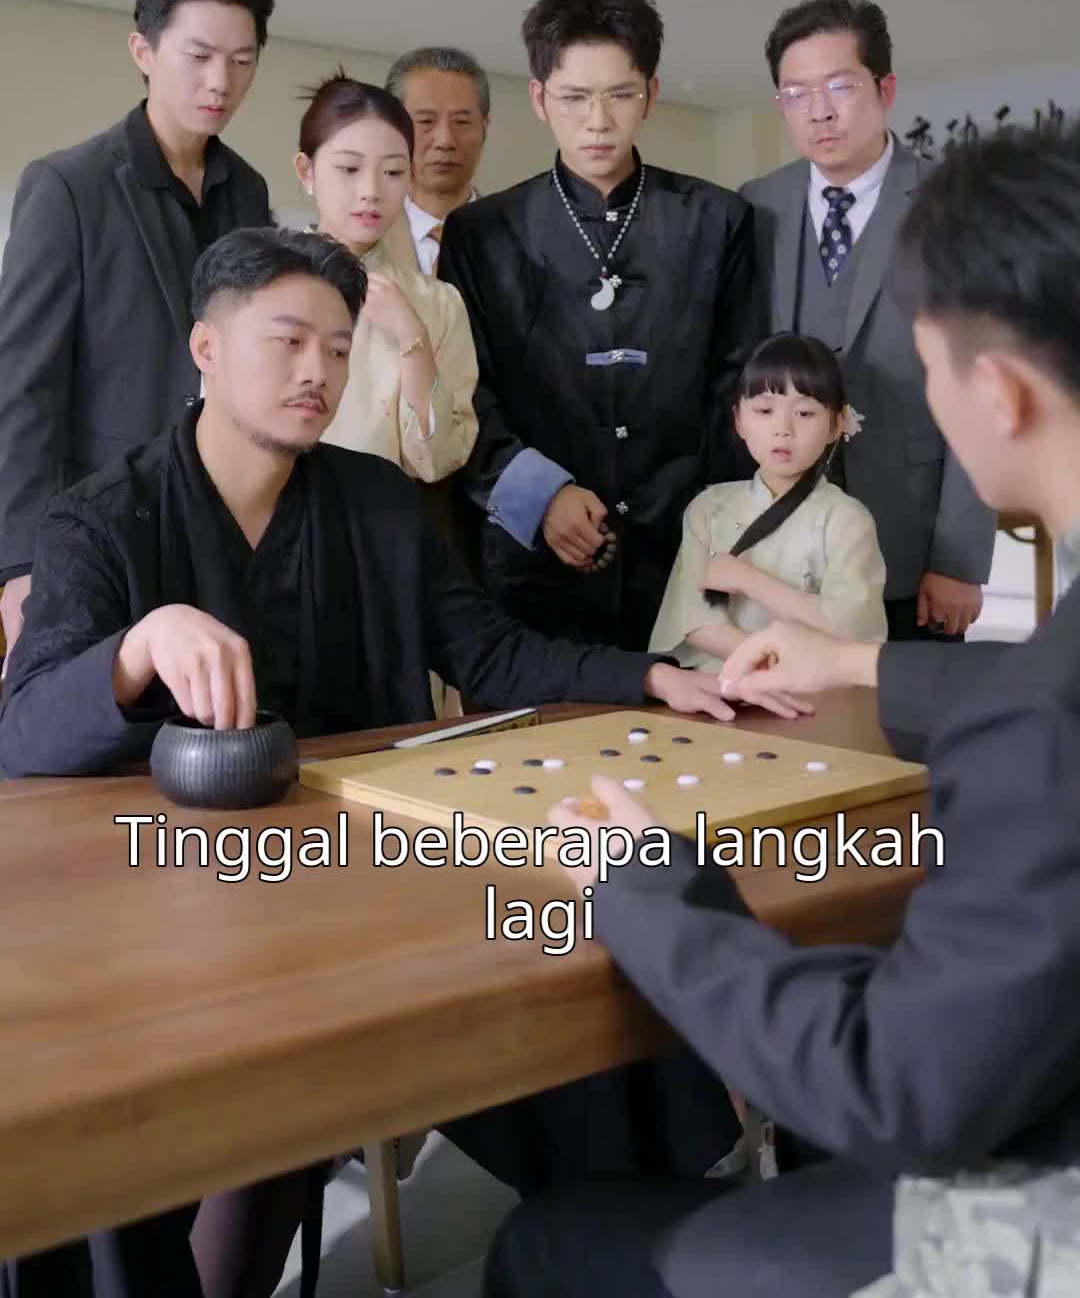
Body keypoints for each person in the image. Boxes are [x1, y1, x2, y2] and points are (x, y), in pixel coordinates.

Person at [0, 225, 757, 1298]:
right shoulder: (100, 518)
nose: (317, 370)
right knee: (131, 1117)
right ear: (206, 349)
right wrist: (136, 648)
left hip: (365, 892)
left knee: (583, 969)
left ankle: (646, 1238)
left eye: (338, 347)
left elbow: (490, 654)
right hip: (163, 911)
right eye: (287, 341)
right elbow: (24, 735)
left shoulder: (376, 503)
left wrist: (650, 677)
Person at [483, 119, 1080, 1298]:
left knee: (546, 1243)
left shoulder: (1033, 726)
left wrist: (642, 880)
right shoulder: (1036, 697)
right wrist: (860, 665)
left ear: (998, 392)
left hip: (1036, 1216)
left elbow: (897, 1089)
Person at [438, 0, 758, 651]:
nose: (598, 120)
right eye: (575, 97)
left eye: (620, 95)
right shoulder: (482, 233)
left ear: (651, 94)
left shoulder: (717, 220)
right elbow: (467, 393)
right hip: (534, 560)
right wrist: (542, 495)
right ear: (539, 99)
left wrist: (700, 516)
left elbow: (738, 389)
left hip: (686, 554)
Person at [0, 0, 274, 659]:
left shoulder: (249, 192)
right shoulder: (68, 186)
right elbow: (22, 386)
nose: (220, 81)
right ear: (144, 51)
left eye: (242, 61)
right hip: (99, 528)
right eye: (199, 55)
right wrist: (20, 565)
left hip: (221, 522)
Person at [741, 0, 997, 644]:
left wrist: (959, 558)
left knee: (905, 710)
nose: (819, 111)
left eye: (839, 86)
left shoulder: (955, 204)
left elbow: (983, 386)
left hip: (911, 546)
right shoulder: (757, 207)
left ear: (885, 88)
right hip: (784, 553)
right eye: (796, 93)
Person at [649, 333, 887, 667]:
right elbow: (694, 622)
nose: (783, 428)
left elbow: (850, 630)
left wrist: (749, 581)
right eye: (764, 410)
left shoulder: (848, 519)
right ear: (739, 420)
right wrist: (764, 660)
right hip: (718, 684)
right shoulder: (709, 507)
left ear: (836, 424)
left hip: (809, 687)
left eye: (805, 413)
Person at [294, 72, 478, 484]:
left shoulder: (438, 303)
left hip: (381, 515)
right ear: (306, 171)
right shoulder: (260, 282)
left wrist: (414, 339)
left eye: (393, 172)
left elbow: (437, 461)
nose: (371, 191)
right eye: (349, 168)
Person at [385, 44, 490, 273]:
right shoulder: (360, 240)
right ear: (393, 127)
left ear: (484, 128)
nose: (445, 140)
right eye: (425, 121)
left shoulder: (522, 239)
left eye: (461, 122)